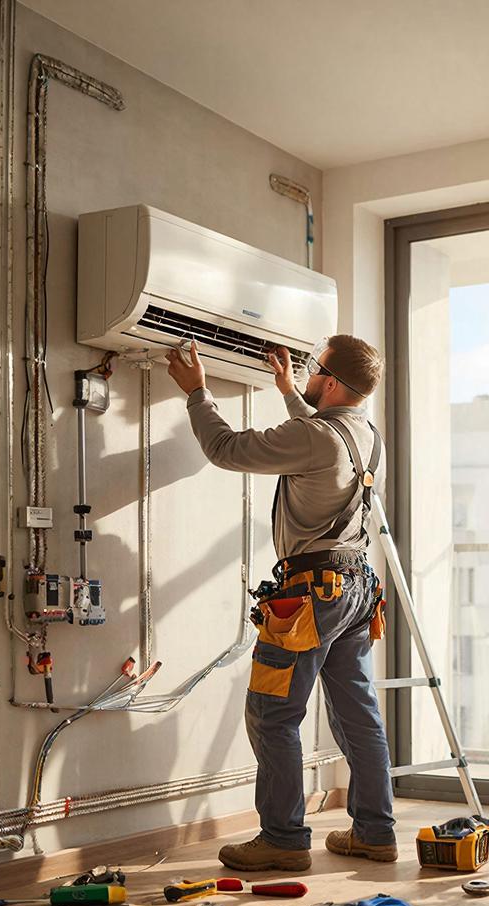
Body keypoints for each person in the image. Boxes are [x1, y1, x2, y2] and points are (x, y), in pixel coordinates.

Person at [165, 334, 397, 871]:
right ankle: (375, 832)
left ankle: (284, 840)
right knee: (358, 716)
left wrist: (198, 392)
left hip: (309, 599)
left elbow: (226, 450)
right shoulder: (368, 435)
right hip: (358, 590)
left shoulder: (315, 436)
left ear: (333, 382)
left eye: (315, 369)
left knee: (273, 715)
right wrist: (290, 391)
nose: (309, 373)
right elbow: (321, 439)